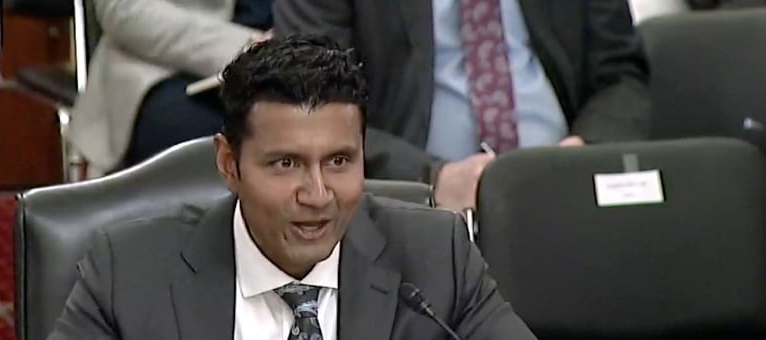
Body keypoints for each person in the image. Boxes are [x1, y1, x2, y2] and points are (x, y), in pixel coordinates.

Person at [0, 35, 585, 340]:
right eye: (285, 165)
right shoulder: (132, 266)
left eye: (339, 162)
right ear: (229, 164)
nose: (317, 196)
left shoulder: (433, 255)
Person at [273, 0, 651, 211]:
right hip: (412, 202)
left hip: (567, 187)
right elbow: (312, 106)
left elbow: (620, 74)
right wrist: (432, 179)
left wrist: (586, 150)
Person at [67, 0, 273, 175]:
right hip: (163, 65)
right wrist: (248, 48)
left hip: (287, 60)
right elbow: (124, 9)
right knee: (209, 139)